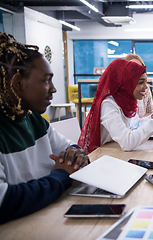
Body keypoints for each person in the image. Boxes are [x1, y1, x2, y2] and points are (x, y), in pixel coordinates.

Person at [0, 32, 89, 224]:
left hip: (46, 216)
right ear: (18, 83)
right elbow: (4, 201)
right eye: (46, 80)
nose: (54, 89)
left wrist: (76, 154)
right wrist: (61, 176)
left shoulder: (34, 120)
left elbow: (70, 147)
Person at [78, 58, 153, 154]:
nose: (146, 86)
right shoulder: (108, 105)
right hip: (100, 156)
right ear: (125, 82)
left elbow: (135, 125)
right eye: (140, 82)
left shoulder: (126, 101)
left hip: (112, 151)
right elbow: (127, 143)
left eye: (145, 82)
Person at [124, 54, 153, 119]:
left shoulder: (145, 88)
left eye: (140, 68)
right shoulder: (119, 94)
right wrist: (142, 119)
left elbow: (151, 113)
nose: (137, 71)